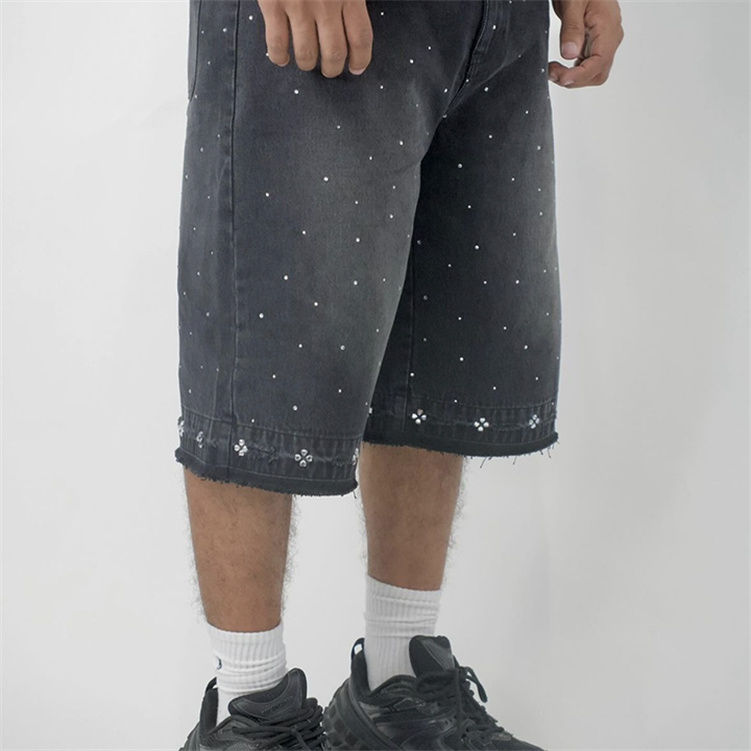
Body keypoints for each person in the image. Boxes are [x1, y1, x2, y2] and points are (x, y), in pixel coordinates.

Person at [175, 0, 624, 748]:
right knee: (262, 366)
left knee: (439, 351)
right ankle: (249, 715)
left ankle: (396, 691)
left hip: (494, 24)